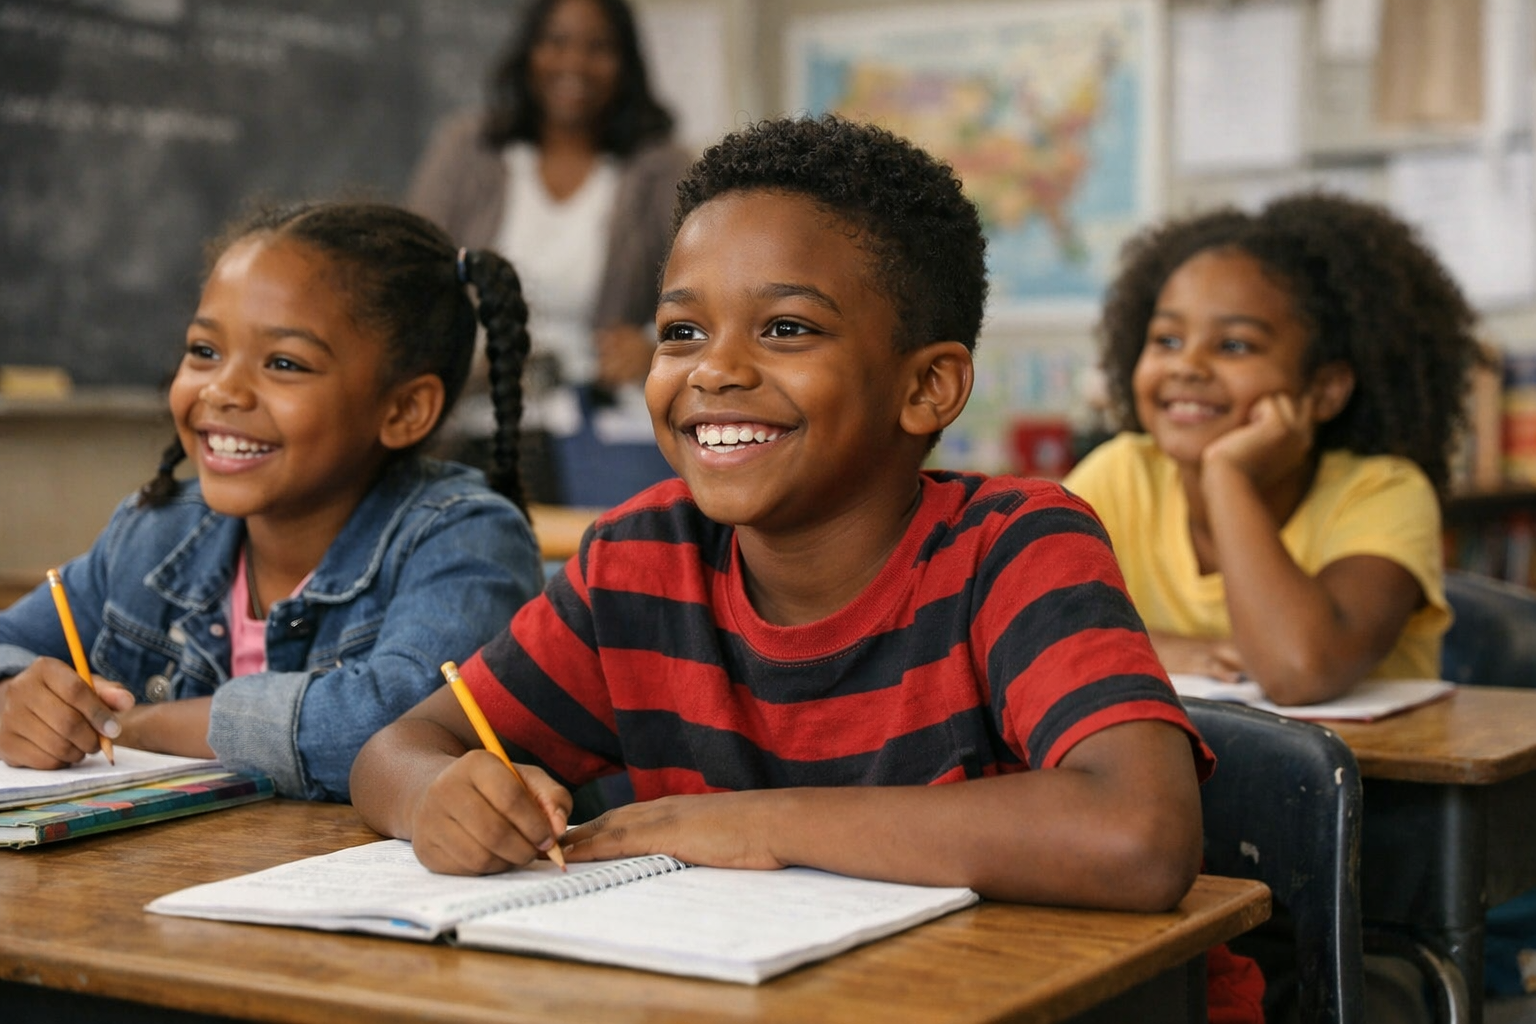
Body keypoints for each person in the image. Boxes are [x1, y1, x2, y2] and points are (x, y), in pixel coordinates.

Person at [353, 114, 1263, 1021]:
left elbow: (1137, 836)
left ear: (926, 387)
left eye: (785, 328)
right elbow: (396, 750)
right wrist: (438, 795)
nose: (714, 371)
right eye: (680, 331)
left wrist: (756, 823)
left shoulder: (1015, 548)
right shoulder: (640, 562)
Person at [0, 201, 544, 802]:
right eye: (204, 351)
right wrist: (16, 700)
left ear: (403, 410)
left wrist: (144, 726)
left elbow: (401, 726)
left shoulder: (463, 535)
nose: (222, 390)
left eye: (284, 363)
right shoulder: (155, 536)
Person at [1064, 192, 1480, 707]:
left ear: (1324, 389)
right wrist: (1160, 648)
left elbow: (1300, 670)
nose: (1186, 366)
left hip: (1373, 785)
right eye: (1167, 340)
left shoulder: (1385, 493)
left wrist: (1227, 476)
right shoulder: (1120, 476)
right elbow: (1017, 632)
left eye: (1235, 345)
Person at [407, 0, 690, 506]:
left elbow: (707, 295)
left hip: (598, 430)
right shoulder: (469, 150)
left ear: (626, 61)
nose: (574, 63)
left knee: (602, 564)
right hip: (471, 420)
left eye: (598, 47)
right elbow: (410, 279)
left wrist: (651, 347)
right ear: (528, 52)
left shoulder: (659, 167)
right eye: (556, 42)